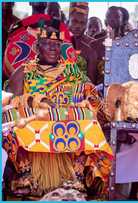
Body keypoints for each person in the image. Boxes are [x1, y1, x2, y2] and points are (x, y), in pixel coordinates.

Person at [3, 19, 112, 200]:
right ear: (38, 47)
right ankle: (26, 174)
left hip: (66, 119)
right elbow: (10, 101)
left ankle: (75, 176)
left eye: (57, 45)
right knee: (10, 119)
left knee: (87, 116)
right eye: (47, 44)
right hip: (35, 120)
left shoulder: (71, 71)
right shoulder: (24, 71)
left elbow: (90, 92)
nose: (53, 48)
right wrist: (37, 100)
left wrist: (84, 99)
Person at [67, 2, 98, 84]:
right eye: (74, 21)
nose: (78, 26)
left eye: (82, 23)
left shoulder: (91, 46)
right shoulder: (56, 43)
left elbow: (91, 82)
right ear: (68, 21)